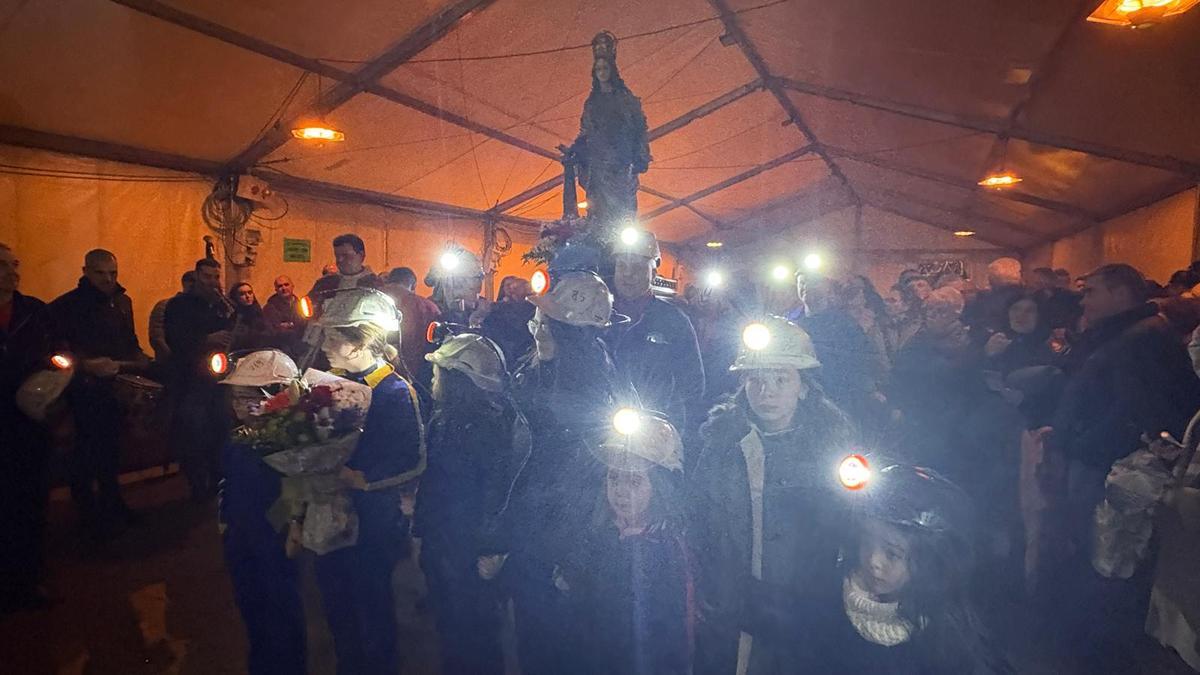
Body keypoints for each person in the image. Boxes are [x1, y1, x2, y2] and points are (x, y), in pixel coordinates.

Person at [1044, 263, 1200, 672]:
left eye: (1091, 291)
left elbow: (1137, 411)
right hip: (1099, 462)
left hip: (1108, 468)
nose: (1083, 300)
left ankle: (1098, 651)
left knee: (1106, 559)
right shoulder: (1126, 333)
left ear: (1120, 294)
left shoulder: (1142, 337)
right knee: (1098, 557)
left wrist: (1080, 445)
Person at [688, 316, 857, 675]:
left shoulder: (831, 448)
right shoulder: (721, 444)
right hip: (735, 607)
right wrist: (707, 590)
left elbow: (850, 528)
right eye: (756, 379)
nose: (767, 392)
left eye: (781, 379)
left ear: (803, 386)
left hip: (806, 608)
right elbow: (698, 518)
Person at [496, 270, 625, 675]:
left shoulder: (589, 384)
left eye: (548, 323)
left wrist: (571, 556)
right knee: (533, 632)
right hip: (533, 524)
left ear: (576, 333)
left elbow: (583, 476)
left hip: (561, 535)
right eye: (538, 319)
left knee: (560, 637)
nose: (537, 328)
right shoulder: (536, 366)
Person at [785, 460, 1012, 674]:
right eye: (867, 542)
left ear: (928, 561)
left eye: (892, 554)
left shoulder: (947, 632)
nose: (873, 561)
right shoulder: (825, 603)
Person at [315, 288, 424, 675]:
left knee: (371, 603)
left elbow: (411, 459)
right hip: (331, 516)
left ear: (360, 342)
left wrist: (360, 478)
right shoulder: (331, 384)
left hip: (372, 522)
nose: (324, 345)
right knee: (336, 600)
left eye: (333, 337)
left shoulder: (394, 392)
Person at [415, 333, 515, 675]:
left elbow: (497, 491)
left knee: (475, 630)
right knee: (451, 626)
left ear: (458, 380)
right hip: (444, 539)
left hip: (469, 546)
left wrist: (492, 548)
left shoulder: (488, 428)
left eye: (439, 372)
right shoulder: (445, 419)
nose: (433, 378)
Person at [567, 409, 693, 675]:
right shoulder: (598, 538)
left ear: (660, 487)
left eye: (635, 481)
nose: (620, 491)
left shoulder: (666, 548)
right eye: (614, 477)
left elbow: (670, 634)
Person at [216, 350, 306, 675]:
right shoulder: (238, 439)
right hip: (241, 540)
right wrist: (226, 526)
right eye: (236, 397)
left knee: (281, 612)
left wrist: (294, 524)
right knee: (252, 610)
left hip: (273, 539)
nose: (240, 406)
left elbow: (298, 491)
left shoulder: (289, 441)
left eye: (248, 397)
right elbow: (228, 485)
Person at [48, 249, 149, 533]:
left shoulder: (122, 302)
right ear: (86, 272)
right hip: (84, 388)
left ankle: (112, 503)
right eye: (100, 273)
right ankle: (89, 514)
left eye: (113, 273)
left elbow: (129, 341)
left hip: (115, 384)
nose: (108, 279)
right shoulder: (65, 306)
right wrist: (85, 364)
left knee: (112, 450)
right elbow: (56, 350)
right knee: (86, 452)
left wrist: (139, 359)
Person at [0, 243, 55, 612]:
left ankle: (29, 579)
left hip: (29, 421)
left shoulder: (34, 311)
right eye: (3, 265)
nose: (12, 272)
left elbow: (56, 351)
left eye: (14, 264)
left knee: (30, 502)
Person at [607, 229, 704, 436]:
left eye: (637, 267)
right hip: (599, 424)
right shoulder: (595, 314)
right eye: (622, 266)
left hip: (654, 428)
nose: (628, 274)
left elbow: (692, 384)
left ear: (654, 272)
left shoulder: (673, 320)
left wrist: (676, 431)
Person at [563, 31, 651, 223]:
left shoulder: (625, 98)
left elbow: (639, 128)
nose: (602, 72)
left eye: (604, 68)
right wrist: (575, 149)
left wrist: (640, 156)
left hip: (621, 163)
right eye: (598, 69)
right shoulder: (591, 103)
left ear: (611, 70)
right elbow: (586, 131)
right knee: (597, 208)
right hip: (598, 164)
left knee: (622, 208)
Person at [165, 258, 234, 500]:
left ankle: (217, 480)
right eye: (207, 277)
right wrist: (207, 339)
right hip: (190, 379)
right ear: (196, 277)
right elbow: (175, 339)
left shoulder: (219, 306)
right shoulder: (178, 305)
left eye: (216, 277)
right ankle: (197, 485)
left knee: (220, 429)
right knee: (195, 433)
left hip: (217, 379)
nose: (212, 282)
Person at [382, 266, 441, 388]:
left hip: (376, 374)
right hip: (418, 376)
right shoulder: (428, 307)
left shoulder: (370, 299)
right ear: (413, 286)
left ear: (388, 280)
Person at [982, 294, 1061, 375]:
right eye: (1015, 309)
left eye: (1029, 311)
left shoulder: (1049, 346)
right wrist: (987, 352)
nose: (1021, 315)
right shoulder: (991, 339)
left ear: (1039, 317)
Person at [423, 245, 487, 327]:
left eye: (466, 279)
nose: (458, 284)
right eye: (457, 279)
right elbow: (428, 281)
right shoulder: (430, 308)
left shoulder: (483, 309)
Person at [963, 257, 1024, 341]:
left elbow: (973, 320)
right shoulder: (1026, 295)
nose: (988, 277)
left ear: (997, 276)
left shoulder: (986, 297)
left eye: (990, 274)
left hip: (992, 339)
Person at [480, 275, 535, 367]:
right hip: (505, 349)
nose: (512, 288)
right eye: (508, 285)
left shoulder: (532, 307)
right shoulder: (496, 308)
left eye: (515, 285)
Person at [307, 234, 385, 298]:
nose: (339, 260)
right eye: (337, 256)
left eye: (345, 256)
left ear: (361, 255)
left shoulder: (375, 284)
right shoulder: (325, 283)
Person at [148, 271, 194, 365]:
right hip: (170, 364)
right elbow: (157, 336)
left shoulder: (200, 308)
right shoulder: (165, 306)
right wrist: (171, 356)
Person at [261, 275, 304, 350]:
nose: (284, 288)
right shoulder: (269, 308)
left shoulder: (302, 305)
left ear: (292, 286)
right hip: (281, 349)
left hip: (301, 346)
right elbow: (273, 331)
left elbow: (304, 325)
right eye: (280, 286)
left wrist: (288, 325)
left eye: (286, 285)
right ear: (276, 290)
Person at [228, 282, 268, 351]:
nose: (247, 296)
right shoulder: (234, 317)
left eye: (250, 293)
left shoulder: (258, 313)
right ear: (236, 297)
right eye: (242, 294)